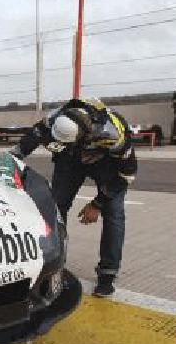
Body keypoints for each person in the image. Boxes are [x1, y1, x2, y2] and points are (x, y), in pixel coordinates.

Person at [9, 97, 137, 297]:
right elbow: (33, 137)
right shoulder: (56, 119)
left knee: (114, 214)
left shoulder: (114, 134)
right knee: (56, 207)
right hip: (70, 160)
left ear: (84, 134)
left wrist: (97, 204)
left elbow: (126, 174)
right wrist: (10, 160)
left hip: (107, 164)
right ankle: (54, 265)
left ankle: (107, 274)